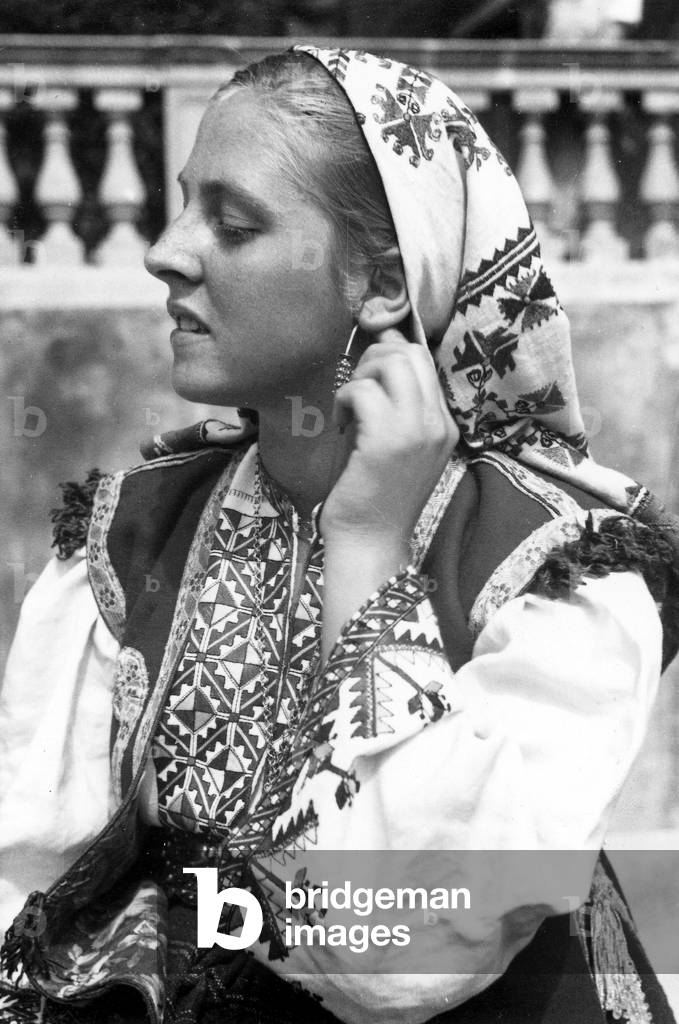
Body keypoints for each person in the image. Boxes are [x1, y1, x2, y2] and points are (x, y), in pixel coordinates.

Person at [0, 45, 678, 1024]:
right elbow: (29, 901)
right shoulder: (131, 537)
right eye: (184, 203)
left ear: (384, 284)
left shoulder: (556, 563)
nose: (166, 249)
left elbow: (406, 953)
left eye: (233, 223)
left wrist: (365, 552)